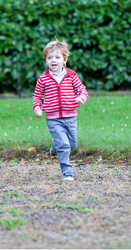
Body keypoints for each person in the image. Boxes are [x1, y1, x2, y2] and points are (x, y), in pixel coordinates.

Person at [33, 40, 88, 181]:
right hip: (53, 119)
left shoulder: (71, 76)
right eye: (49, 58)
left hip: (70, 117)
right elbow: (37, 96)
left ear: (64, 59)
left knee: (72, 143)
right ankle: (67, 172)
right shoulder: (43, 79)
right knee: (64, 145)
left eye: (57, 57)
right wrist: (37, 108)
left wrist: (81, 98)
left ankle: (55, 146)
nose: (53, 60)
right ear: (46, 60)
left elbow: (82, 89)